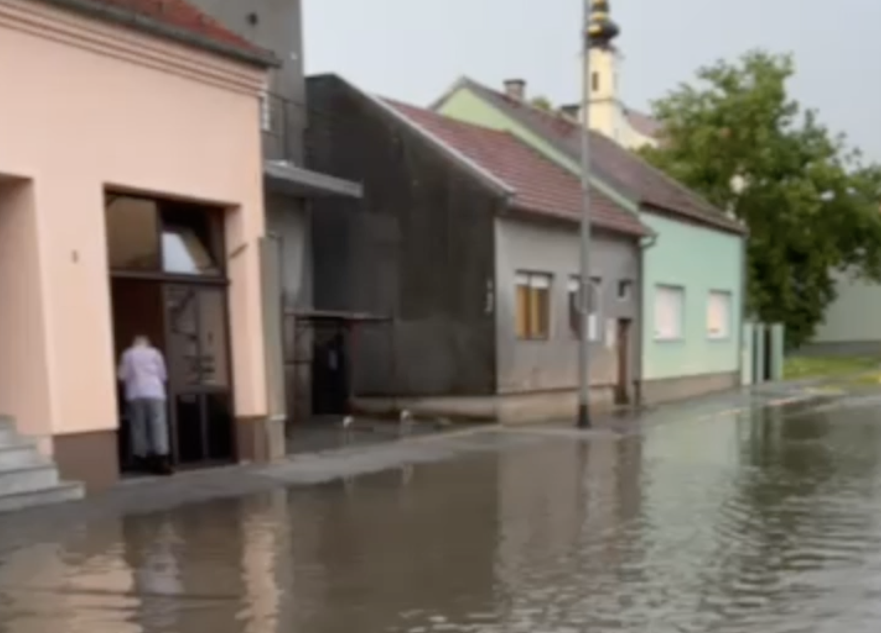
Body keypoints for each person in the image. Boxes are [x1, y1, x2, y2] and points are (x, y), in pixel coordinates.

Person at [118, 335, 173, 475]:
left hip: (136, 393)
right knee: (158, 424)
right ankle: (161, 457)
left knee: (139, 426)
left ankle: (142, 457)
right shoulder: (155, 353)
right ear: (147, 343)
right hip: (155, 392)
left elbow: (123, 376)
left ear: (134, 343)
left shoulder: (128, 354)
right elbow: (163, 375)